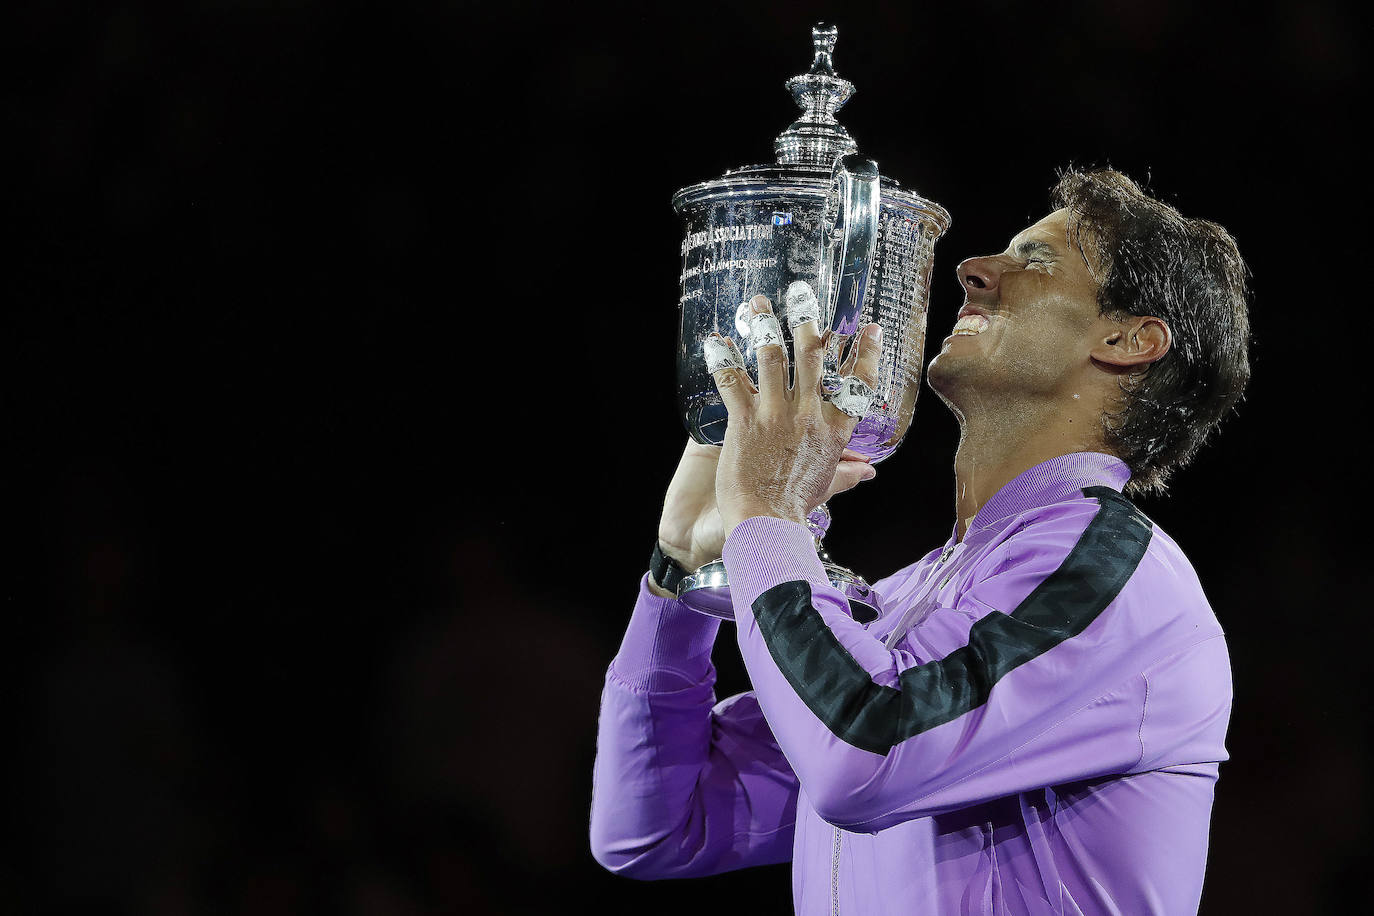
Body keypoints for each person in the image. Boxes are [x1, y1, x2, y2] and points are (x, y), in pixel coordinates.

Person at [589, 168, 1251, 915]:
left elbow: (863, 755)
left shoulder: (1124, 580)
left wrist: (768, 514)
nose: (974, 269)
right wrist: (682, 572)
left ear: (1129, 339)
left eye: (1035, 262)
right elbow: (654, 826)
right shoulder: (904, 603)